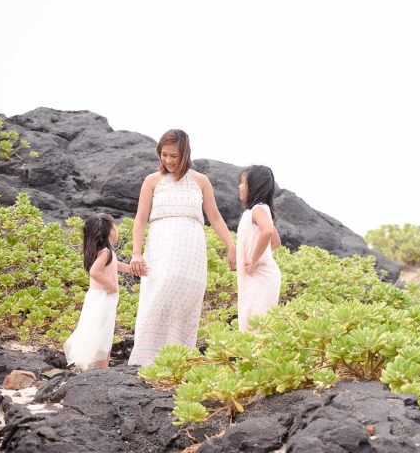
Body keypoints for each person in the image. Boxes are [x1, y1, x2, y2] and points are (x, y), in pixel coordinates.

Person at [127, 129, 236, 366]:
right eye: (164, 155)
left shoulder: (200, 181)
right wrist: (136, 253)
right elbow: (140, 219)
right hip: (161, 248)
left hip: (191, 250)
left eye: (174, 156)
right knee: (158, 296)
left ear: (185, 154)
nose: (168, 160)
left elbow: (215, 218)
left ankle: (179, 361)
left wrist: (231, 246)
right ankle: (146, 361)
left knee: (186, 300)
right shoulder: (152, 181)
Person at [64, 213, 131, 369]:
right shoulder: (105, 252)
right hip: (103, 297)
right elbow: (95, 272)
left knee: (101, 332)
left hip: (100, 298)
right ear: (110, 231)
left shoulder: (105, 252)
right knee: (102, 333)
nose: (117, 230)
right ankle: (102, 367)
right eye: (115, 226)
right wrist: (111, 285)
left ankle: (101, 365)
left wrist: (130, 269)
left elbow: (114, 265)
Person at [236, 165, 282, 332]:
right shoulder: (260, 210)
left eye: (242, 182)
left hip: (260, 276)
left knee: (255, 325)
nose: (239, 186)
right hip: (261, 275)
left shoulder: (258, 209)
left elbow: (268, 231)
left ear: (254, 185)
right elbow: (275, 242)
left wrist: (254, 259)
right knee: (255, 323)